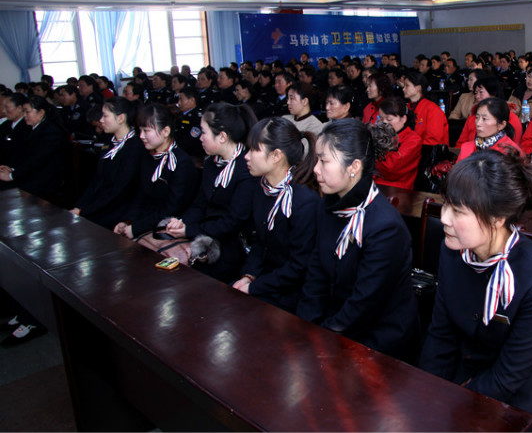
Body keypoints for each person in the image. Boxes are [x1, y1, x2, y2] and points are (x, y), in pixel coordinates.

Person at [419, 150, 532, 428]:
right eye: (446, 204)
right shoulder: (453, 251)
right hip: (465, 374)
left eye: (458, 211)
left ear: (498, 218)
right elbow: (440, 334)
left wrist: (454, 405)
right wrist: (427, 391)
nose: (444, 218)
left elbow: (510, 375)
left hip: (520, 398)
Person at [296, 119, 420, 362]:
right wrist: (305, 327)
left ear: (353, 166)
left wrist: (322, 340)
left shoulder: (386, 228)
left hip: (378, 344)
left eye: (324, 161)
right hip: (336, 328)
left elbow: (364, 304)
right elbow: (316, 274)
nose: (315, 169)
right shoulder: (328, 207)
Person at [232, 117, 320, 313]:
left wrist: (254, 287)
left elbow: (299, 267)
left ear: (276, 156)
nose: (246, 156)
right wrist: (248, 276)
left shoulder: (304, 201)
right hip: (266, 280)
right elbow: (260, 243)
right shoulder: (262, 188)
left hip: (292, 292)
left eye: (254, 150)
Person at [164, 103, 259, 283]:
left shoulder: (247, 169)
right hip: (205, 233)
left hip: (232, 245)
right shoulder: (210, 163)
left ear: (222, 136)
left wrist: (189, 230)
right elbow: (199, 204)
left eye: (204, 132)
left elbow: (233, 222)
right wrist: (182, 223)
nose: (200, 138)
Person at [113, 104, 199, 240]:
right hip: (144, 223)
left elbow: (173, 210)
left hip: (167, 229)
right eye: (140, 130)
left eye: (146, 131)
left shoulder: (181, 163)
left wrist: (136, 228)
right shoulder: (148, 157)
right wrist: (127, 221)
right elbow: (140, 197)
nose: (141, 136)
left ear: (165, 131)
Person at [71, 98, 146, 229]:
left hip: (118, 211)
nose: (101, 120)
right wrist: (79, 206)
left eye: (105, 116)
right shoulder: (109, 143)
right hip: (100, 205)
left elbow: (120, 190)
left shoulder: (135, 147)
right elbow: (97, 180)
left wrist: (85, 210)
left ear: (120, 118)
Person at [0, 96, 69, 201]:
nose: (24, 115)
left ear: (41, 112)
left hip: (43, 181)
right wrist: (12, 169)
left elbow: (37, 160)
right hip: (31, 176)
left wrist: (11, 176)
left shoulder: (51, 132)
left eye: (27, 112)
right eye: (23, 112)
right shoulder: (34, 128)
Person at [456, 75, 523, 147]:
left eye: (481, 92)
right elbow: (461, 143)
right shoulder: (473, 116)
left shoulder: (510, 117)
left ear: (493, 93)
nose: (477, 96)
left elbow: (514, 146)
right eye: (476, 93)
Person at [374, 96, 422, 190]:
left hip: (397, 189)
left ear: (403, 119)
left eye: (389, 119)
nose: (384, 123)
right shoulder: (380, 134)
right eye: (381, 118)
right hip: (375, 184)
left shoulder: (413, 140)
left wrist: (372, 158)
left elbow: (391, 169)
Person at [457, 98, 522, 162]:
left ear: (501, 125)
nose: (478, 123)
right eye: (477, 117)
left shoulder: (510, 152)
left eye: (484, 119)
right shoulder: (466, 148)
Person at [402, 71, 449, 145]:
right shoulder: (405, 108)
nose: (403, 89)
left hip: (427, 150)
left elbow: (434, 140)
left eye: (407, 85)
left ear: (418, 88)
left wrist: (411, 146)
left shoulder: (432, 109)